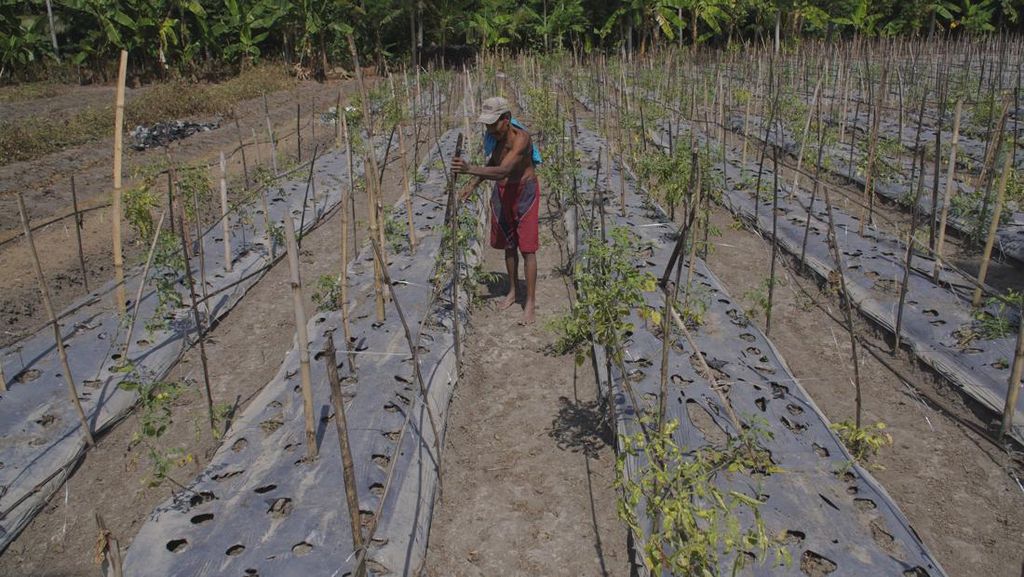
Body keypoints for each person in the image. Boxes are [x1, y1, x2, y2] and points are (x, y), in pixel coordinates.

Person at [452, 96, 541, 325]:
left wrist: (469, 169)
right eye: (487, 125)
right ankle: (512, 290)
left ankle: (529, 302)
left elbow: (503, 170)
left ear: (507, 119)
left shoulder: (522, 140)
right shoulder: (496, 139)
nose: (490, 129)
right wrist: (473, 185)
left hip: (525, 193)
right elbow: (493, 163)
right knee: (509, 244)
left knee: (527, 248)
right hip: (503, 193)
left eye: (494, 123)